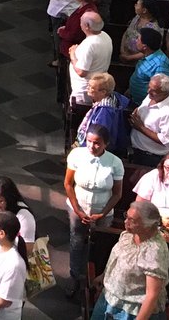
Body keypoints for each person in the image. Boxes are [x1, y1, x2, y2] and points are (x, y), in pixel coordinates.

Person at [63, 123, 124, 296]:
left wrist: (103, 213)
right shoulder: (77, 155)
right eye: (89, 141)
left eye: (97, 143)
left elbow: (117, 193)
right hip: (79, 207)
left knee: (100, 244)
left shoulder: (115, 162)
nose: (92, 146)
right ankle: (75, 276)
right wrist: (77, 210)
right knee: (76, 241)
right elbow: (68, 184)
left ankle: (96, 279)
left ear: (106, 144)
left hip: (102, 210)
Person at [89, 200, 168, 320]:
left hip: (130, 311)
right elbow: (117, 259)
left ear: (147, 225)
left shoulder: (154, 252)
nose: (126, 222)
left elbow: (152, 295)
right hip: (109, 298)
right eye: (127, 216)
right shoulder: (129, 235)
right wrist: (104, 276)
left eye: (132, 220)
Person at [128, 74, 169, 167]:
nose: (148, 91)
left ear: (165, 93)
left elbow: (166, 140)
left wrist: (140, 127)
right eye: (149, 87)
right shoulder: (150, 97)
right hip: (137, 150)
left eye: (153, 91)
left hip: (150, 157)